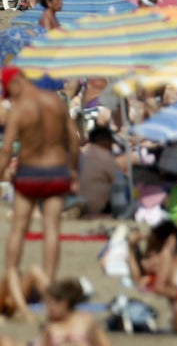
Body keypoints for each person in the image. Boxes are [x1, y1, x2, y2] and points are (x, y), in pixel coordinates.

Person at [0, 67, 79, 320]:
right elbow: (74, 140)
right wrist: (74, 171)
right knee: (52, 228)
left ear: (14, 83)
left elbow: (6, 150)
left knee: (18, 229)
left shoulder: (20, 109)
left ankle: (13, 276)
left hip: (29, 173)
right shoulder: (55, 102)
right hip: (57, 171)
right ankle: (50, 284)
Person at [38, 278, 111, 346]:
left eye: (50, 304)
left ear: (63, 303)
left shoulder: (86, 320)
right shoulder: (49, 326)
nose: (47, 309)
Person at [76, 126, 124, 217]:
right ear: (106, 141)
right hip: (97, 209)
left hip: (78, 206)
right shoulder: (106, 157)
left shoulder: (83, 155)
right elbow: (119, 181)